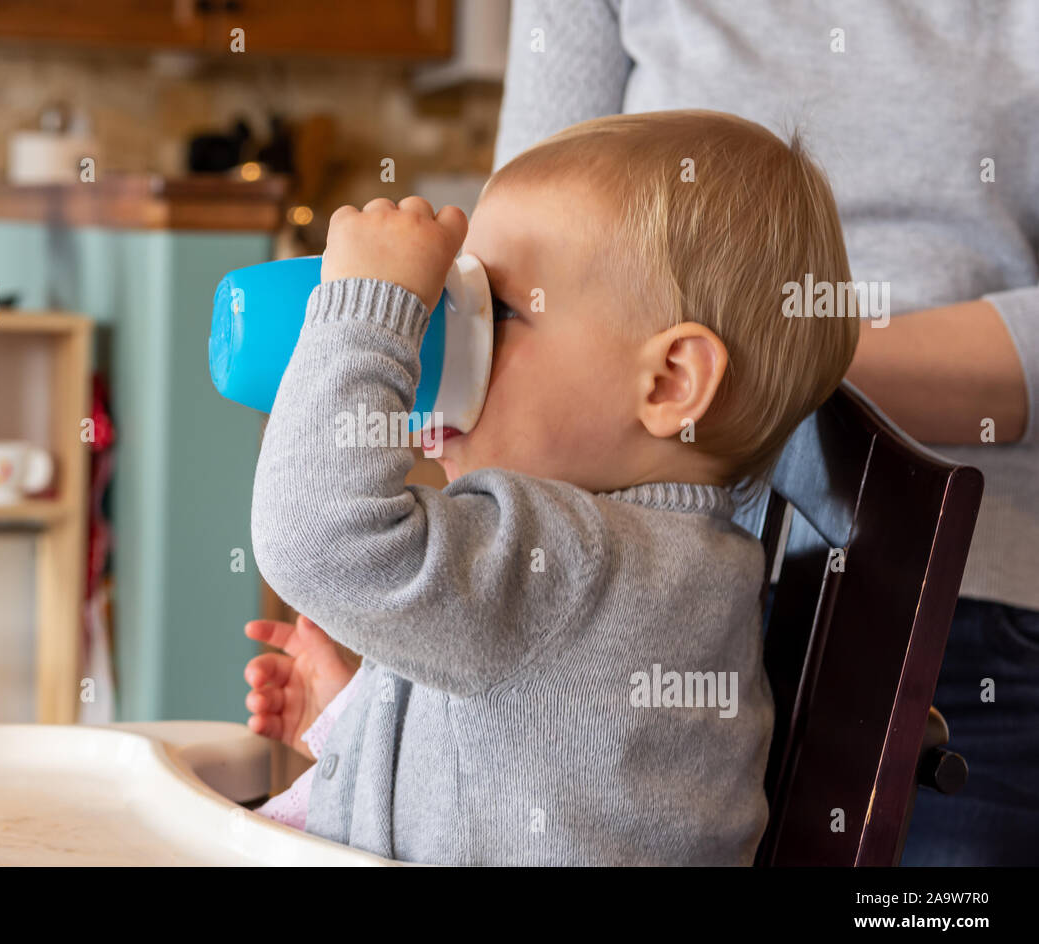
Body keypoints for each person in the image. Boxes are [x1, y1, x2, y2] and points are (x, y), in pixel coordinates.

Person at [489, 0, 1039, 865]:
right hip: (624, 594)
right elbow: (518, 263)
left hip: (968, 614)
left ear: (678, 376)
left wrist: (768, 357)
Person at [243, 109, 857, 863]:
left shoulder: (575, 555)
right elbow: (525, 752)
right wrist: (351, 723)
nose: (452, 335)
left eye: (494, 312)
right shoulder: (663, 560)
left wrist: (368, 313)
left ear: (669, 382)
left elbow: (314, 538)